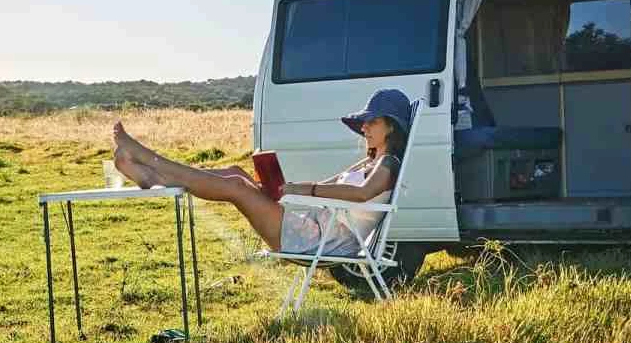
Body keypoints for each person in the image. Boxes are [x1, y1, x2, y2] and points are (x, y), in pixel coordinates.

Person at [112, 88, 411, 255]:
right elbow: (326, 186)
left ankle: (148, 160)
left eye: (372, 121)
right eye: (365, 122)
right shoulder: (367, 163)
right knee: (236, 172)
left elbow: (361, 194)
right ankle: (154, 174)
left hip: (320, 239)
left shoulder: (388, 165)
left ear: (392, 126)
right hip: (313, 224)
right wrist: (287, 188)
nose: (364, 127)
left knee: (235, 187)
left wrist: (304, 191)